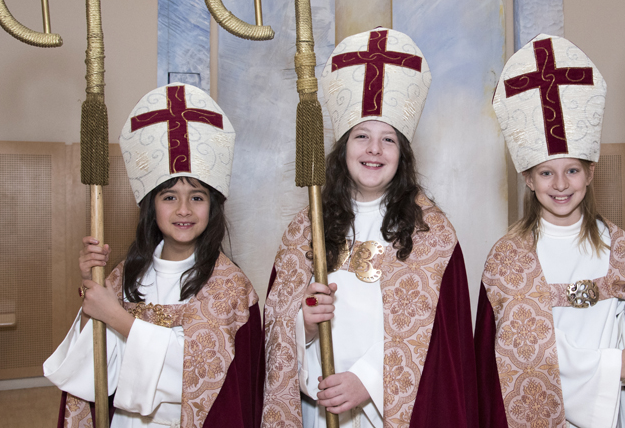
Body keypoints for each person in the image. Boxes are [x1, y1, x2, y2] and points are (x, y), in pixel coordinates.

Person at [262, 28, 478, 428]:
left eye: (388, 140)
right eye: (362, 136)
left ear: (403, 154)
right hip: (316, 407)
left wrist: (368, 380)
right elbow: (275, 322)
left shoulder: (432, 235)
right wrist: (303, 325)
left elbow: (438, 342)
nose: (374, 150)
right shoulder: (305, 228)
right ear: (344, 148)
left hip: (389, 412)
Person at [476, 35, 625, 428]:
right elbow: (521, 351)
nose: (560, 184)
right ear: (528, 179)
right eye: (545, 173)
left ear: (590, 173)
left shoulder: (620, 244)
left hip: (611, 410)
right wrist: (610, 367)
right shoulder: (509, 256)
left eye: (571, 170)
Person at [44, 83, 264, 428]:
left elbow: (202, 375)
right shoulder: (125, 275)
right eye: (169, 197)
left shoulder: (229, 286)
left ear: (213, 206)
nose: (183, 210)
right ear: (151, 207)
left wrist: (117, 318)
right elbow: (93, 370)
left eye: (197, 197)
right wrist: (92, 290)